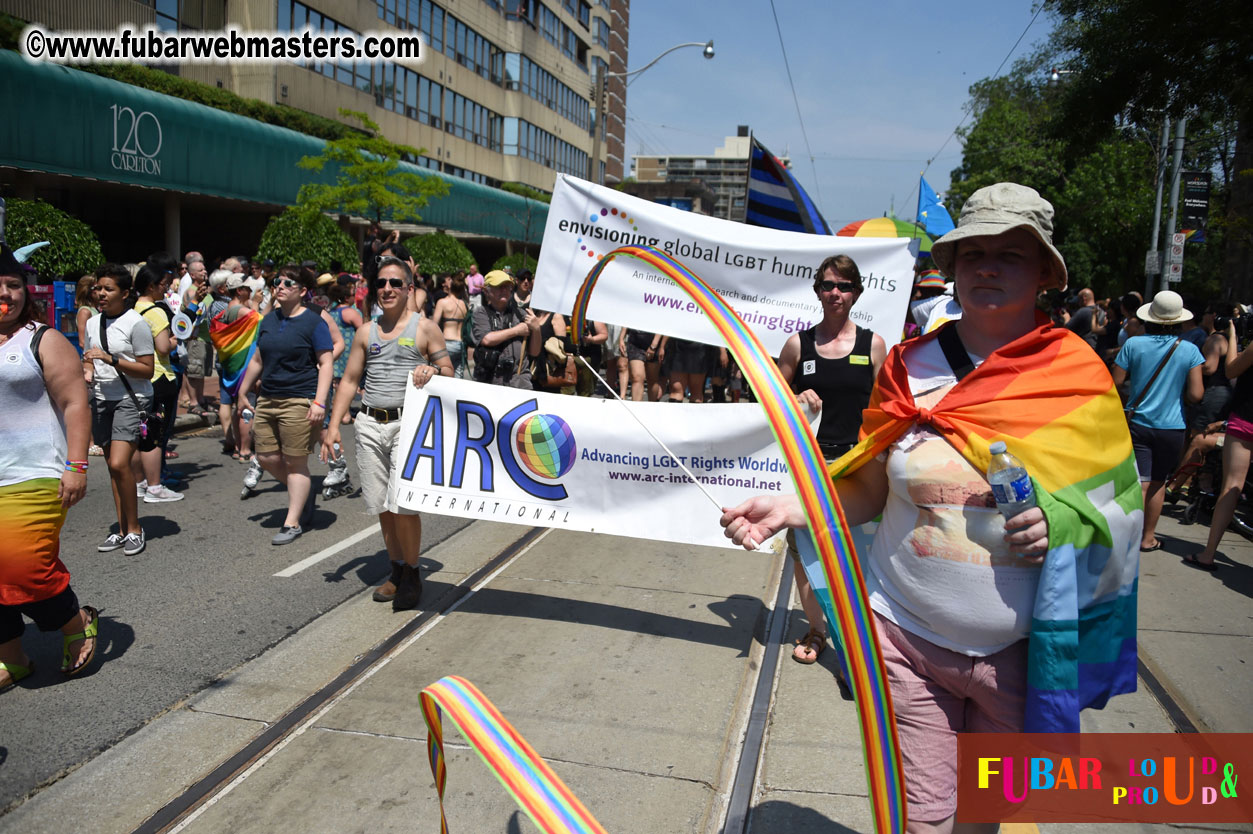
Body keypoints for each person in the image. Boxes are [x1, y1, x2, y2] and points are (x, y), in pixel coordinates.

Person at [721, 183, 1140, 832]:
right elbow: (870, 485)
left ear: (1043, 274)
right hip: (902, 637)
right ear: (952, 267)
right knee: (922, 820)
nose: (988, 266)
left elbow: (1118, 511)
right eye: (972, 253)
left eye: (1011, 253)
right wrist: (795, 506)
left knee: (983, 821)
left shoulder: (1076, 375)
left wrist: (1059, 522)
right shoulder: (907, 368)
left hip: (1017, 655)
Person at [322, 257, 453, 610]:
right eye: (381, 283)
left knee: (404, 504)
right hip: (368, 424)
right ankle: (396, 570)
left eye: (396, 283)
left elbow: (449, 372)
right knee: (381, 504)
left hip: (406, 425)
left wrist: (432, 370)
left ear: (409, 288)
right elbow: (349, 381)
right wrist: (333, 427)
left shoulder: (425, 328)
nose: (388, 289)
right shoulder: (367, 331)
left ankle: (412, 573)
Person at [775, 254, 887, 664]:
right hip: (812, 466)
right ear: (817, 291)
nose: (834, 293)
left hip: (860, 468)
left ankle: (866, 635)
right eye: (827, 285)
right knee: (810, 550)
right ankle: (818, 629)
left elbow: (888, 407)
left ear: (856, 292)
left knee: (862, 555)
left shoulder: (873, 344)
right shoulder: (797, 345)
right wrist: (794, 397)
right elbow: (768, 397)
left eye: (843, 286)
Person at [0, 244, 100, 689]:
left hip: (36, 471)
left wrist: (77, 464)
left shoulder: (43, 338)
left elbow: (75, 402)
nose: (7, 293)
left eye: (13, 284)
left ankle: (75, 622)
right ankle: (12, 656)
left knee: (24, 564)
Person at [237, 267, 333, 545]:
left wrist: (319, 402)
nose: (279, 285)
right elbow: (258, 359)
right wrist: (243, 390)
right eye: (276, 281)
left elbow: (326, 363)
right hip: (267, 398)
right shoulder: (267, 320)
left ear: (302, 291)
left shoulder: (314, 323)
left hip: (299, 400)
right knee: (265, 457)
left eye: (287, 282)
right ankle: (302, 492)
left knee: (295, 461)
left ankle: (292, 522)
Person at [1111, 290, 1204, 552]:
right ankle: (1147, 538)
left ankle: (1126, 537)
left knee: (1139, 482)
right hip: (1173, 426)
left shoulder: (1133, 344)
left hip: (1138, 422)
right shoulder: (1190, 350)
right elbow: (1196, 395)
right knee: (1158, 482)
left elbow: (1115, 381)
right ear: (1178, 321)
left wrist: (1132, 396)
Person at [82, 264, 156, 556]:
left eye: (108, 289)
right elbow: (89, 357)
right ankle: (122, 529)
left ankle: (136, 529)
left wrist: (110, 359)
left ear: (125, 293)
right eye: (99, 288)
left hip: (132, 397)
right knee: (114, 469)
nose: (101, 293)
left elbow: (147, 370)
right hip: (101, 398)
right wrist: (88, 368)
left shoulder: (135, 323)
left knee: (117, 463)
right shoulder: (92, 323)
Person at [1189, 317, 1253, 571]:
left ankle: (1208, 553)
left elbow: (1232, 370)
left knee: (1232, 485)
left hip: (1246, 419)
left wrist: (1234, 334)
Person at [129, 264, 183, 502]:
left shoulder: (130, 309)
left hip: (138, 378)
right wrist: (174, 339)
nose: (167, 288)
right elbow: (163, 347)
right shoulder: (155, 311)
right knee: (155, 435)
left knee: (139, 434)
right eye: (164, 284)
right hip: (160, 377)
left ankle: (140, 483)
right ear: (151, 286)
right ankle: (154, 487)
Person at [471, 270, 538, 388]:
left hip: (520, 383)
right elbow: (487, 339)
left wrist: (537, 328)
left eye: (507, 287)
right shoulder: (481, 313)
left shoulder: (521, 314)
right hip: (490, 383)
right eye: (499, 287)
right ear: (487, 290)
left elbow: (534, 352)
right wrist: (516, 331)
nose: (505, 290)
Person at [326, 276, 364, 423]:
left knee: (338, 383)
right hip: (349, 351)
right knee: (348, 383)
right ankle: (345, 413)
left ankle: (342, 412)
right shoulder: (350, 312)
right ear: (347, 297)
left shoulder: (332, 311)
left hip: (335, 349)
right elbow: (362, 330)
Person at [433, 272, 469, 378]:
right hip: (461, 344)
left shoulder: (442, 302)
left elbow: (433, 325)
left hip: (447, 343)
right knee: (458, 376)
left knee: (441, 375)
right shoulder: (464, 304)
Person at [620, 328, 661, 401]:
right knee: (637, 377)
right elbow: (627, 318)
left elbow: (662, 323)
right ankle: (636, 409)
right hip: (635, 341)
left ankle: (652, 406)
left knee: (652, 379)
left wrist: (653, 345)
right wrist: (621, 338)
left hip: (654, 339)